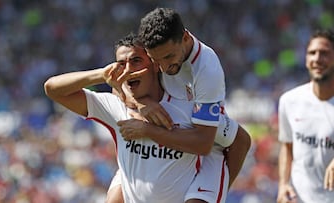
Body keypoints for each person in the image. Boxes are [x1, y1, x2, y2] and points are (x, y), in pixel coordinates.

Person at [44, 33, 228, 203]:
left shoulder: (188, 105)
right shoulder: (115, 107)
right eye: (121, 64)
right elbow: (52, 89)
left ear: (155, 64)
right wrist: (101, 74)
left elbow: (237, 140)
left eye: (136, 61)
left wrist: (148, 130)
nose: (128, 70)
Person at [114, 8, 251, 202]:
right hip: (167, 134)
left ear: (185, 38)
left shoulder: (207, 69)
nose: (162, 68)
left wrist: (147, 130)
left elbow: (204, 142)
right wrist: (141, 102)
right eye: (155, 60)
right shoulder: (152, 48)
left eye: (168, 57)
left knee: (241, 141)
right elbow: (118, 83)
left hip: (201, 134)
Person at [277, 29, 334, 203]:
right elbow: (287, 147)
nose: (317, 59)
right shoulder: (289, 101)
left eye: (324, 53)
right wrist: (283, 185)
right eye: (312, 53)